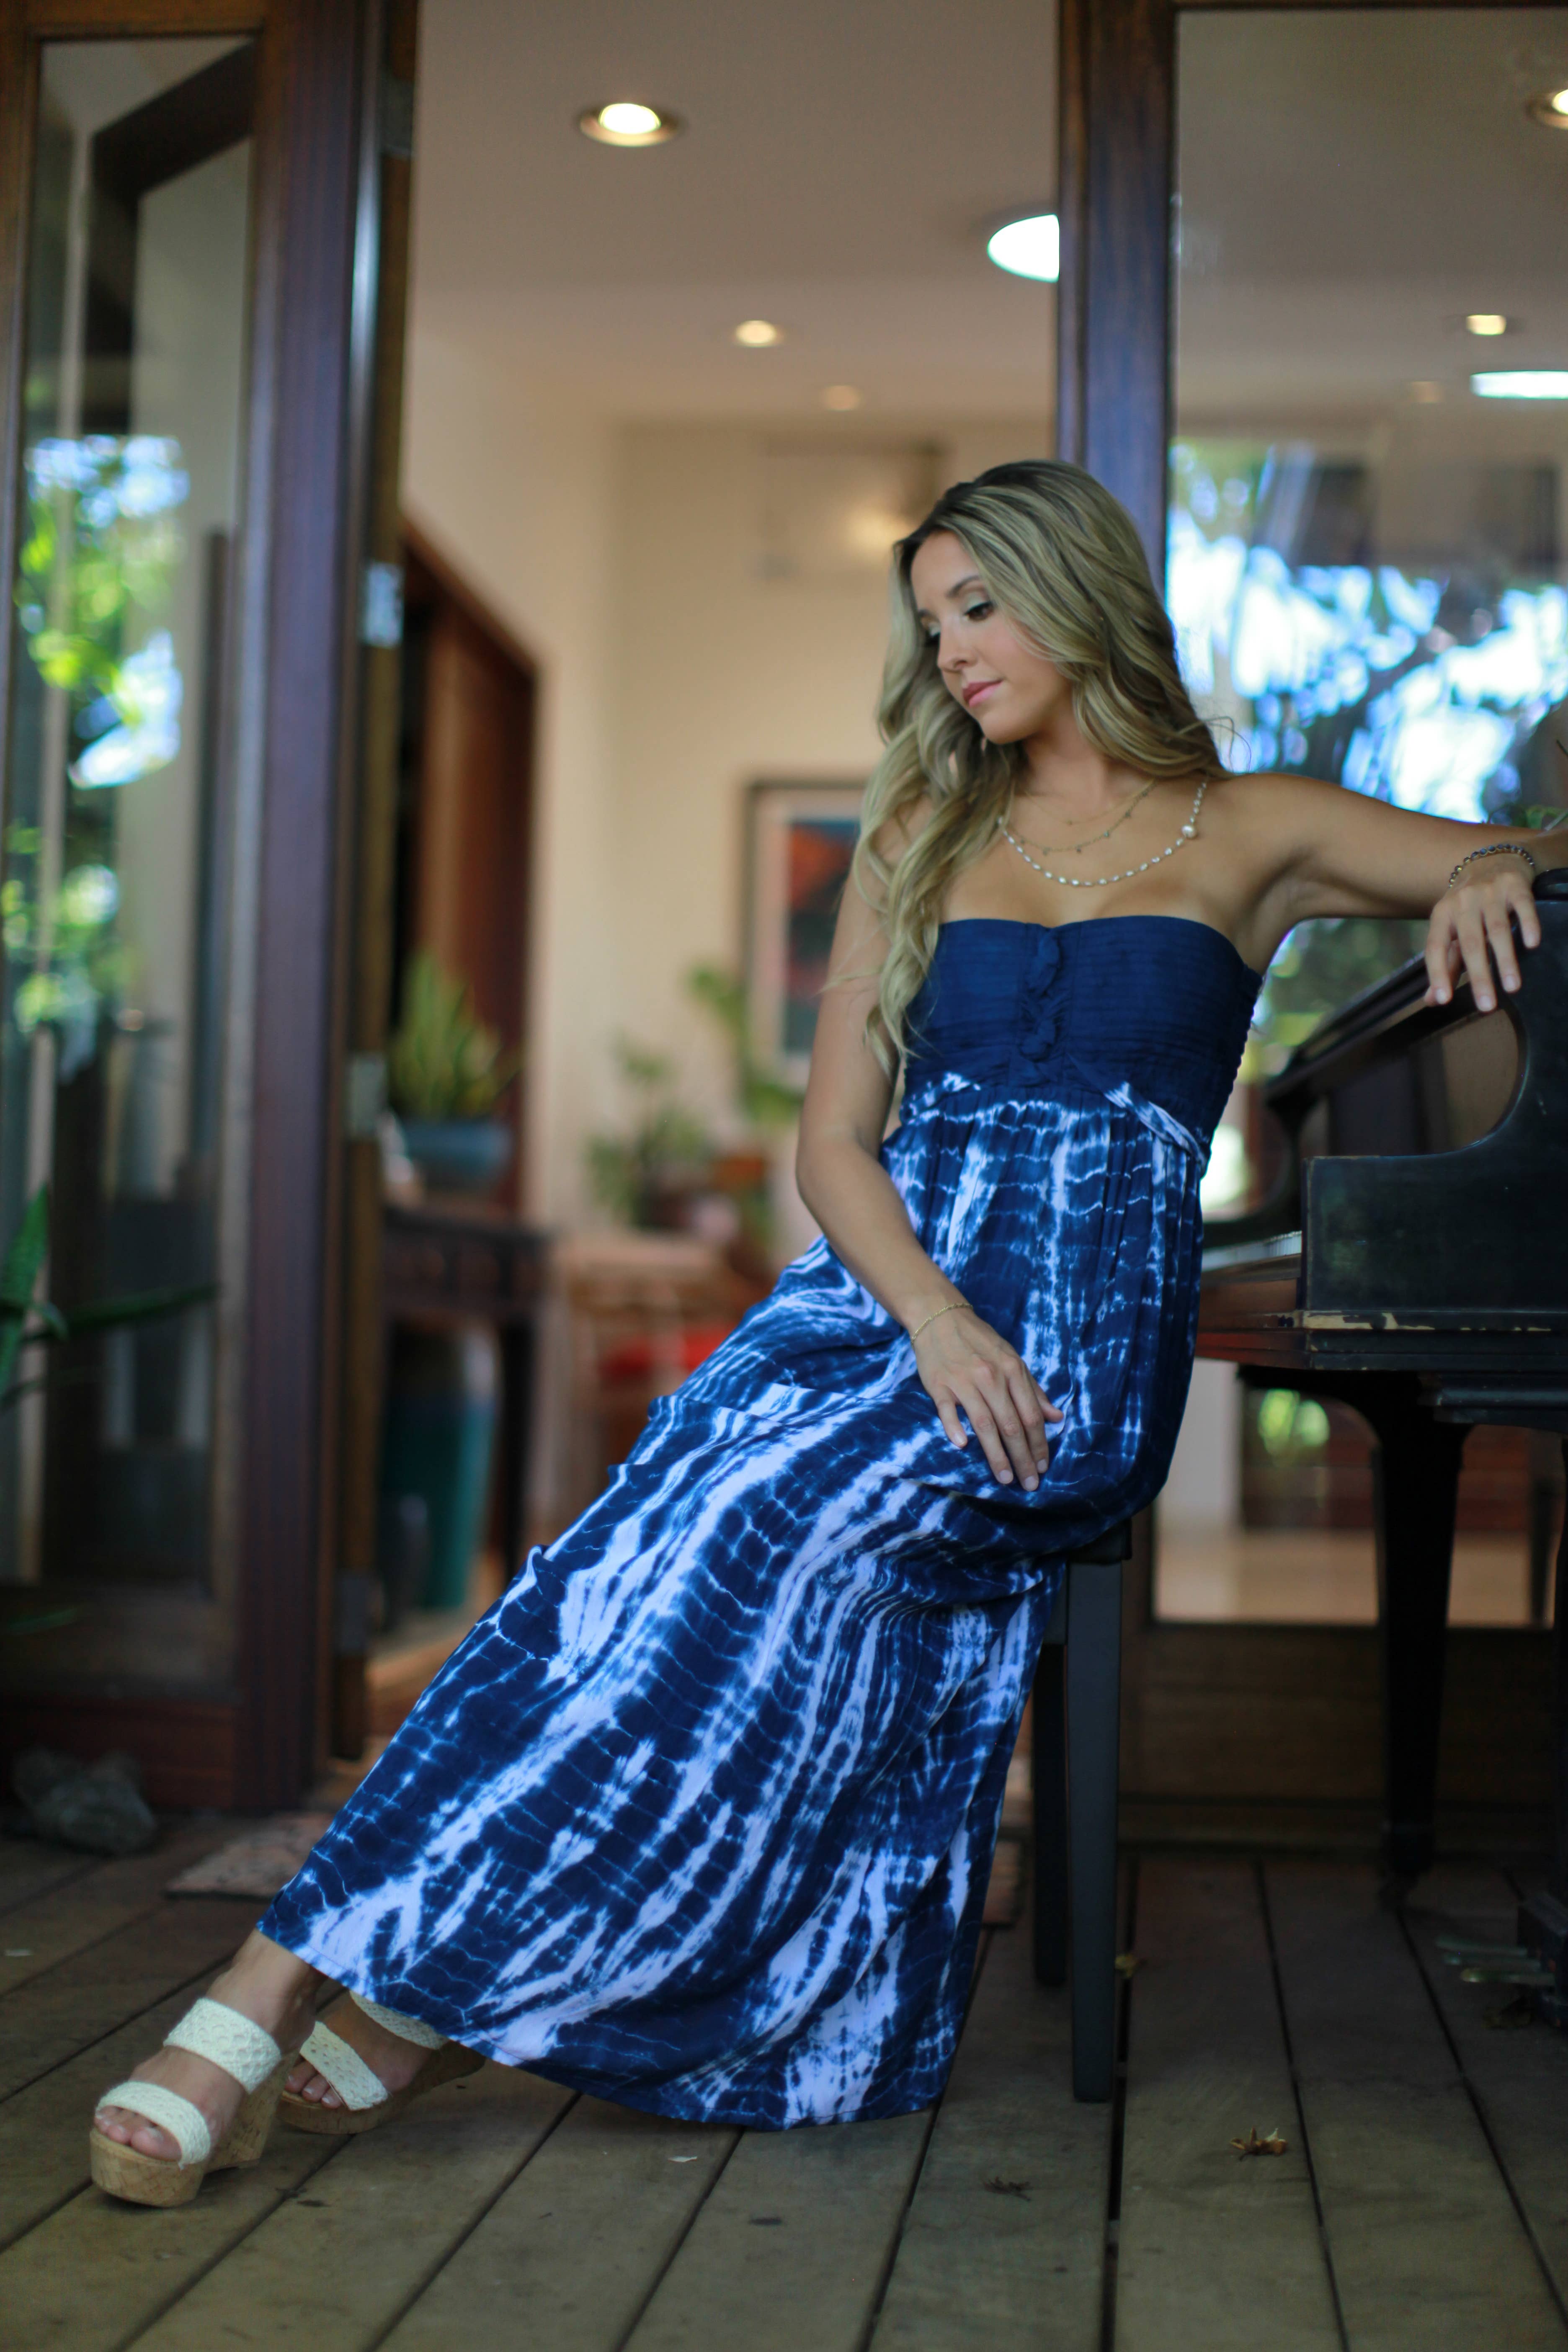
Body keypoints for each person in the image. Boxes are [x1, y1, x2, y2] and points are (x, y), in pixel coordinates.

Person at [90, 459, 1561, 2206]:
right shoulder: (921, 835)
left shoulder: (1258, 827)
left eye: (980, 607)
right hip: (882, 1312)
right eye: (932, 624)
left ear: (1078, 594)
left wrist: (1485, 861)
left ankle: (317, 1984)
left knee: (741, 1526)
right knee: (626, 1554)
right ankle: (359, 1975)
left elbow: (1546, 852)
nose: (953, 652)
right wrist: (928, 1321)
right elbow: (833, 1147)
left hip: (1073, 1347)